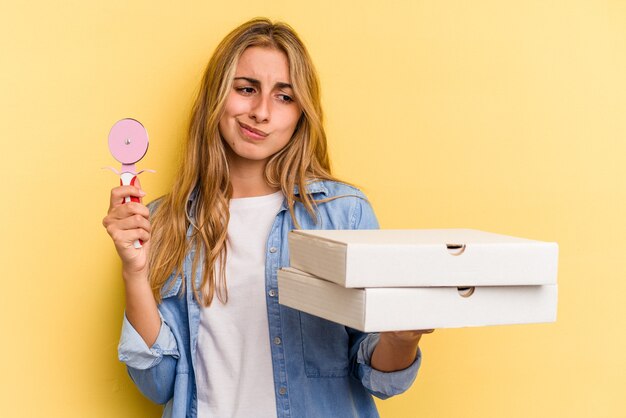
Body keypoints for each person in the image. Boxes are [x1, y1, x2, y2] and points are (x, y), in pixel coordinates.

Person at [103, 18, 433, 418]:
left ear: (301, 113)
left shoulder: (343, 213)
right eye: (246, 89)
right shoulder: (164, 220)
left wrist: (403, 336)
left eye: (284, 97)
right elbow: (157, 384)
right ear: (217, 98)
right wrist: (134, 272)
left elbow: (379, 378)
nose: (261, 112)